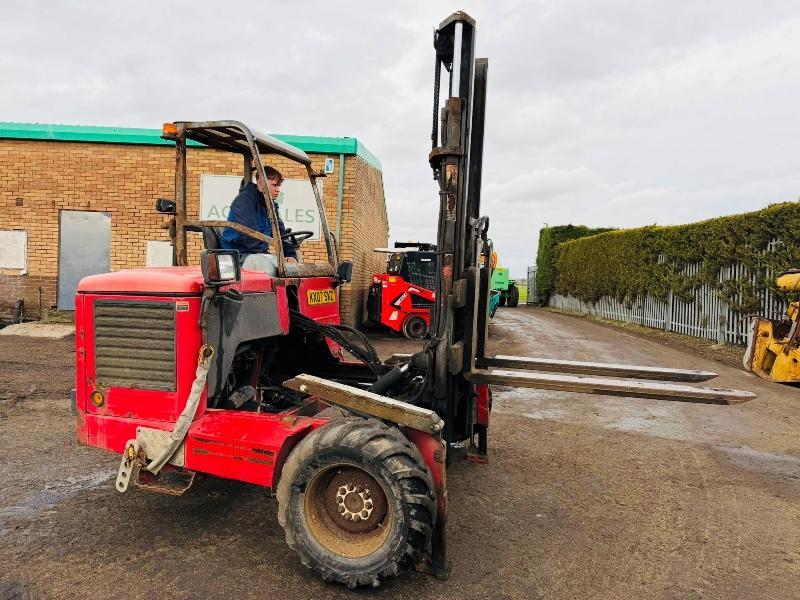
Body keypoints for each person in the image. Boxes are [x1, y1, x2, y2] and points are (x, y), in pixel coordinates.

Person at [220, 165, 298, 264]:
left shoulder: (271, 206)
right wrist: (268, 256)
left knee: (291, 267)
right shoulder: (245, 200)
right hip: (236, 254)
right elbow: (249, 236)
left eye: (279, 186)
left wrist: (291, 256)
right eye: (274, 185)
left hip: (256, 254)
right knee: (271, 265)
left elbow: (280, 233)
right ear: (261, 184)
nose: (278, 190)